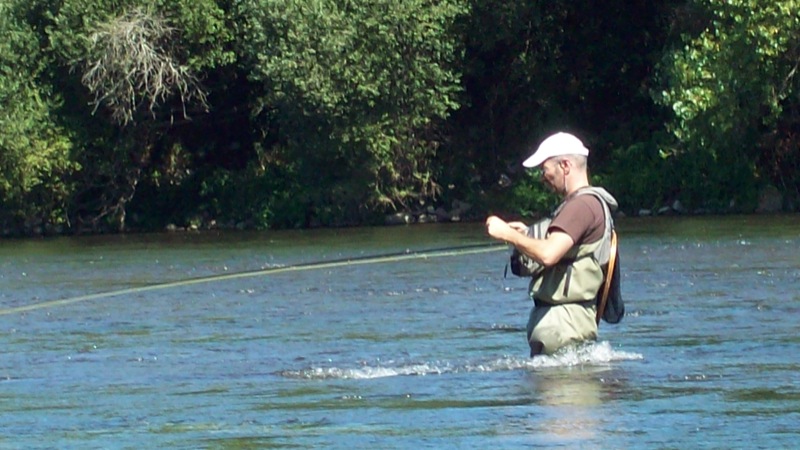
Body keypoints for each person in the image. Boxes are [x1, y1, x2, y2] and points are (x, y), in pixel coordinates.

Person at [485, 131, 618, 356]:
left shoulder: (582, 206)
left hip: (564, 327)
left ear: (565, 165)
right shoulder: (583, 205)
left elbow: (549, 254)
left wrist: (508, 234)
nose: (542, 177)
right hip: (564, 326)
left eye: (545, 169)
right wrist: (527, 234)